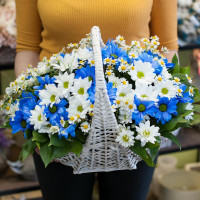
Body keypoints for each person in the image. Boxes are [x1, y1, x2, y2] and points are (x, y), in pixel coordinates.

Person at [15, 0, 178, 200]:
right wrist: (36, 123)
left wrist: (156, 112)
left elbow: (167, 46)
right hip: (57, 120)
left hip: (136, 121)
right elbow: (27, 48)